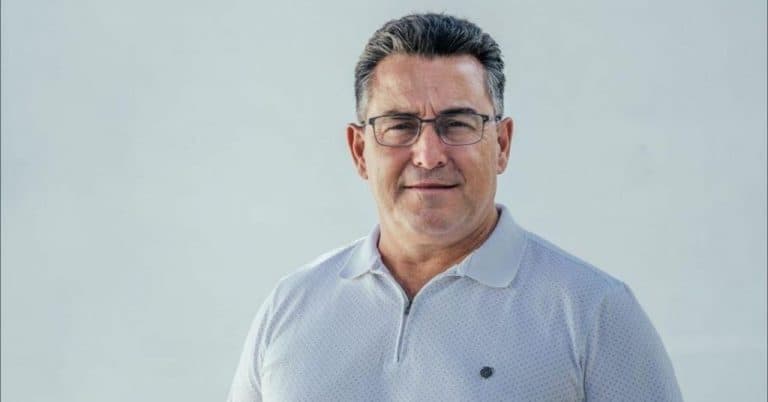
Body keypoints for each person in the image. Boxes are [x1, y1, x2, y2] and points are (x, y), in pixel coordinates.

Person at [227, 13, 682, 402]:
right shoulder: (290, 306)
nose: (428, 155)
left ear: (501, 144)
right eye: (399, 125)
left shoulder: (593, 312)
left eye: (457, 123)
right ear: (359, 150)